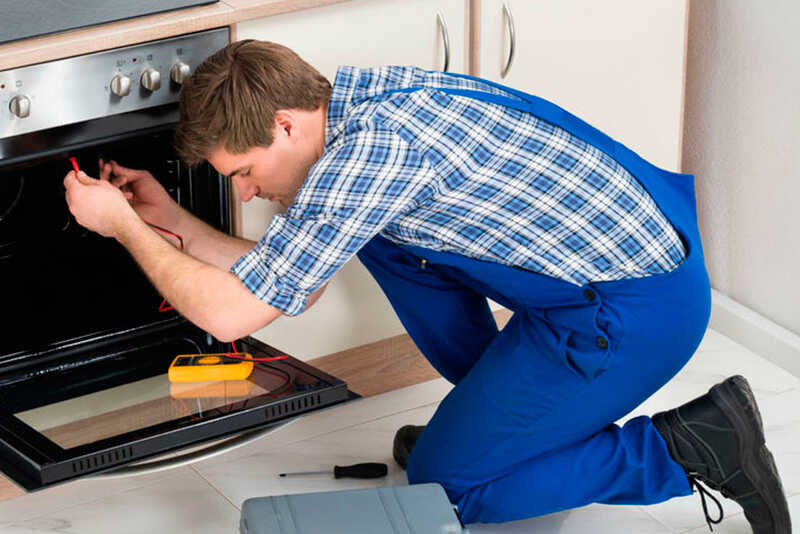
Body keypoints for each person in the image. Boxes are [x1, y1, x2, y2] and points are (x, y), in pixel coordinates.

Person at [63, 40, 790, 533]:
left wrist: (121, 229)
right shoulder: (357, 108)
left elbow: (231, 315)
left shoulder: (373, 157)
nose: (247, 194)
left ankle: (691, 448)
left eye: (244, 173)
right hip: (590, 289)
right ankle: (489, 430)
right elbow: (291, 281)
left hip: (632, 314)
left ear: (283, 124)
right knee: (382, 243)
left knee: (449, 489)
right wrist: (167, 220)